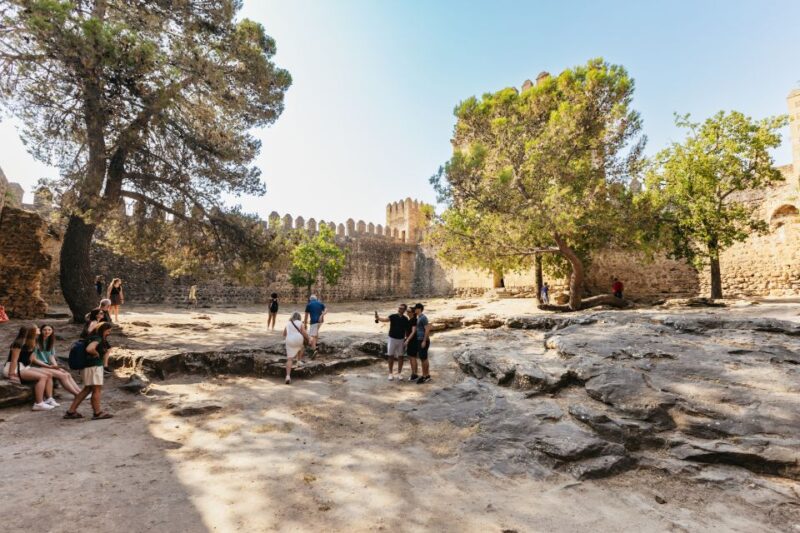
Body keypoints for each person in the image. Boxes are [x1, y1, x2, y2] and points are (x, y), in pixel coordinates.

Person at [64, 322, 114, 420]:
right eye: (108, 331)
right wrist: (96, 353)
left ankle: (71, 411)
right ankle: (97, 413)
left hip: (88, 367)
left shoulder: (92, 337)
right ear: (103, 330)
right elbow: (90, 349)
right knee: (96, 389)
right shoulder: (97, 338)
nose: (109, 333)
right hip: (94, 367)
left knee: (87, 389)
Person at [3, 326, 56, 411]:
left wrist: (48, 366)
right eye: (37, 329)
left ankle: (49, 399)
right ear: (31, 332)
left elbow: (31, 359)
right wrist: (11, 374)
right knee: (43, 377)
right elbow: (14, 360)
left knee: (49, 374)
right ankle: (39, 403)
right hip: (14, 367)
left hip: (24, 367)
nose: (39, 329)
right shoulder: (18, 344)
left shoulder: (33, 343)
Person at [31, 324, 81, 396]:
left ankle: (80, 392)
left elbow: (51, 356)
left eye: (49, 330)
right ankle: (77, 394)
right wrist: (49, 367)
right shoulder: (36, 342)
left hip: (47, 365)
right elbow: (34, 360)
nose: (47, 332)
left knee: (67, 374)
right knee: (63, 376)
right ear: (41, 331)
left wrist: (56, 367)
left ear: (52, 331)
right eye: (44, 330)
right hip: (38, 366)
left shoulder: (50, 341)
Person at [376, 303, 409, 381]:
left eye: (401, 308)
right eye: (399, 308)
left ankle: (399, 373)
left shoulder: (405, 319)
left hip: (401, 339)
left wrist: (407, 339)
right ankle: (390, 373)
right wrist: (378, 318)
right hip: (392, 338)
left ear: (404, 310)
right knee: (390, 356)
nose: (399, 309)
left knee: (401, 357)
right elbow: (385, 320)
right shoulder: (393, 316)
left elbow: (407, 330)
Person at [283, 312, 310, 385]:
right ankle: (298, 360)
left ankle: (288, 376)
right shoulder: (300, 323)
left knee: (289, 359)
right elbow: (304, 333)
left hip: (289, 340)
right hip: (298, 339)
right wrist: (309, 339)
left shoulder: (288, 323)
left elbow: (284, 334)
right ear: (299, 317)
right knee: (301, 347)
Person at [413, 303, 432, 384]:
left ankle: (424, 376)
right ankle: (427, 375)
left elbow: (427, 329)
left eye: (415, 308)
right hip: (420, 340)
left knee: (423, 358)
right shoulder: (419, 317)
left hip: (423, 340)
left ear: (419, 309)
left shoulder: (423, 317)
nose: (414, 310)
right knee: (424, 358)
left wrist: (424, 341)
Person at [404, 307, 420, 382]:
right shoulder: (410, 320)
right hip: (411, 341)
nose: (407, 312)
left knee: (412, 357)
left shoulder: (413, 320)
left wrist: (407, 340)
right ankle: (414, 373)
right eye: (407, 311)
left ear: (413, 313)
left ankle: (414, 374)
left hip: (413, 341)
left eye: (409, 311)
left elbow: (413, 331)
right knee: (412, 357)